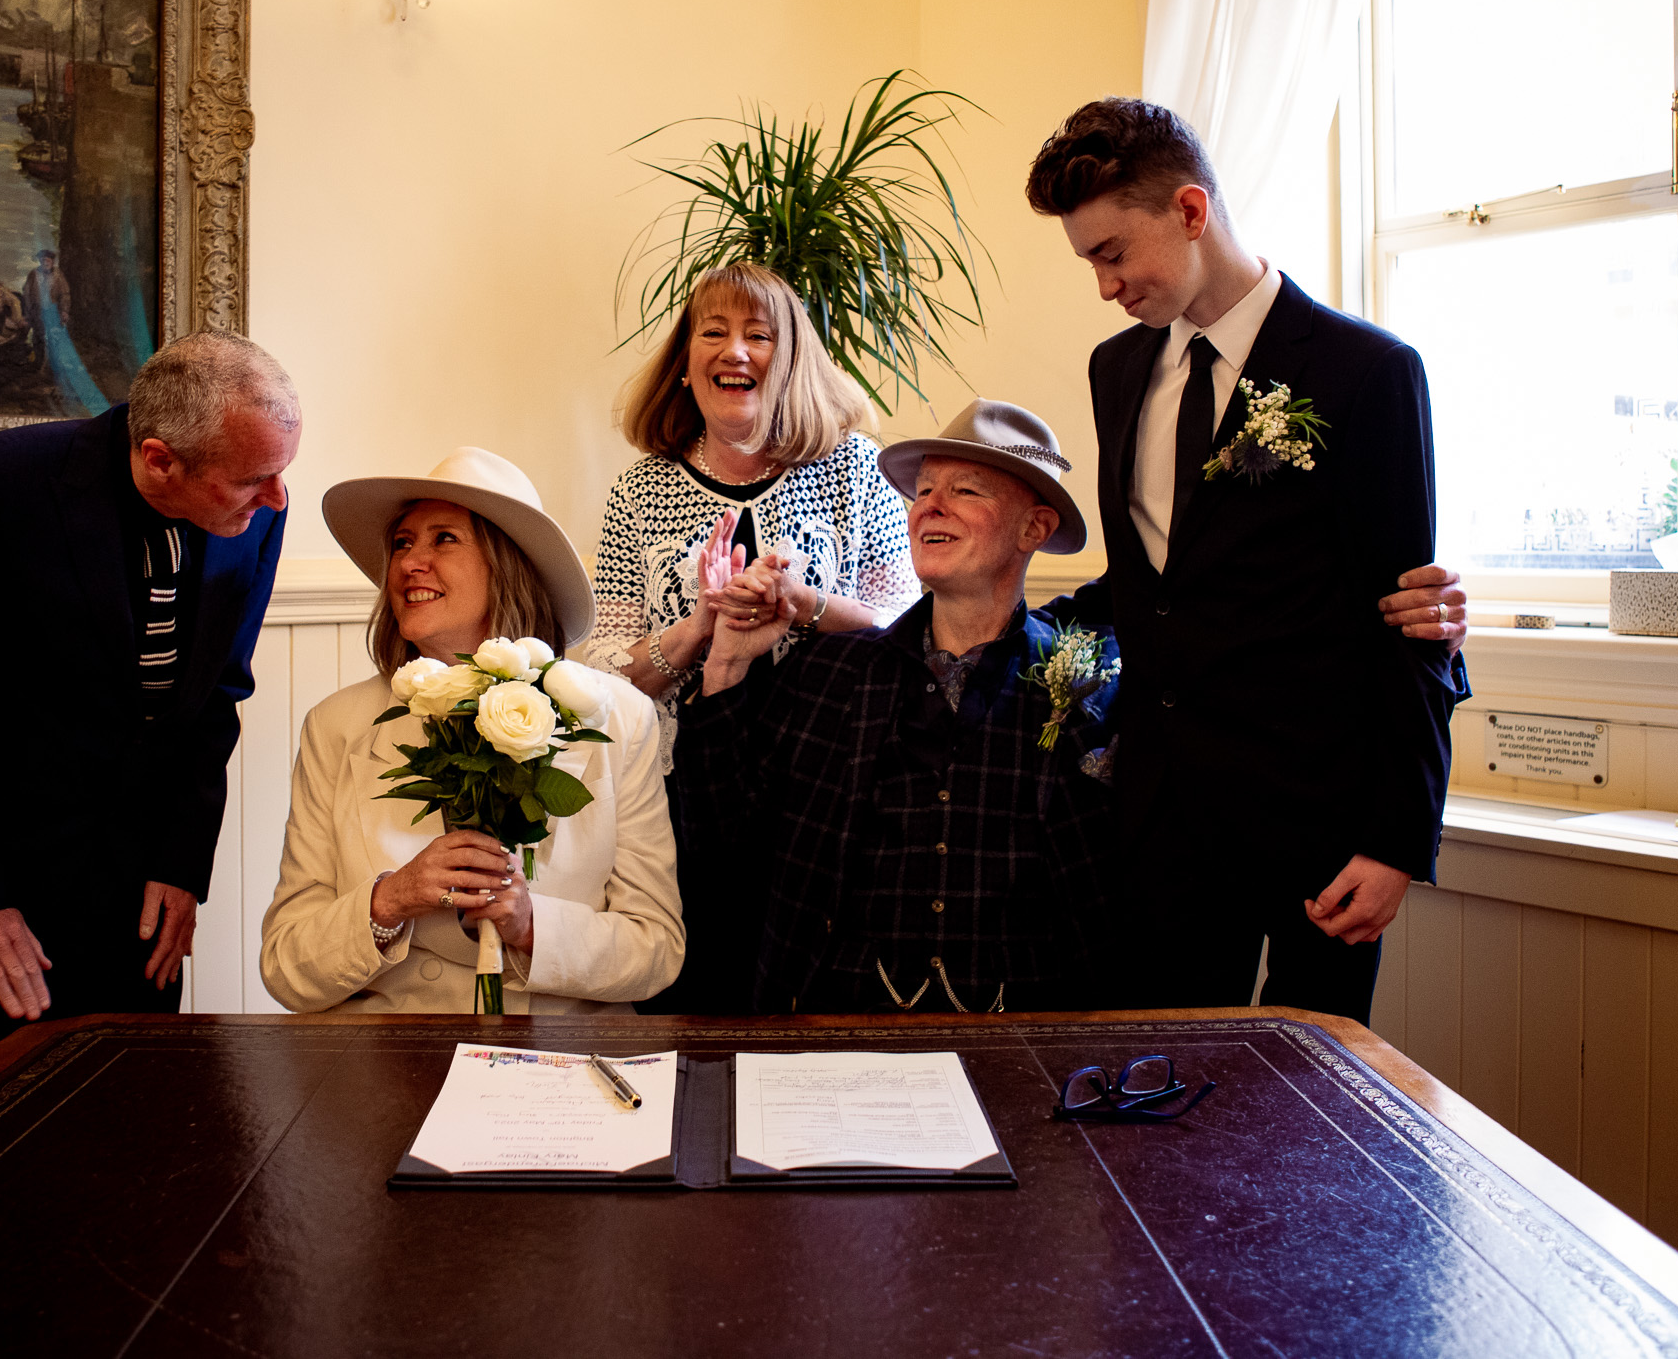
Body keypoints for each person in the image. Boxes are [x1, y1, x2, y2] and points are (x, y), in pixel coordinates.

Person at [1023, 97, 1470, 1023]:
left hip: (1322, 827)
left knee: (1311, 1123)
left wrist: (1397, 841)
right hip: (1161, 821)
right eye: (1088, 262)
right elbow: (1153, 587)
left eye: (1112, 253)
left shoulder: (1367, 370)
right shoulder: (1117, 371)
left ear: (1190, 211)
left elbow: (1412, 624)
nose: (1104, 286)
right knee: (1159, 1102)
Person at [0, 331, 299, 1095]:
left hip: (137, 908)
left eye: (280, 472)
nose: (277, 499)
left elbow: (218, 690)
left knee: (127, 1134)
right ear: (161, 459)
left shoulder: (252, 507)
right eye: (255, 479)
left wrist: (181, 861)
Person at [673, 400, 1120, 1014]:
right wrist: (726, 665)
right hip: (835, 1028)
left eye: (965, 489)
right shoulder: (829, 672)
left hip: (1025, 1044)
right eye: (925, 489)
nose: (929, 506)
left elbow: (1114, 896)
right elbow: (721, 848)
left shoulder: (1089, 687)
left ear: (1034, 530)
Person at [585, 260, 922, 1011]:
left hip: (827, 788)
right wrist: (701, 626)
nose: (734, 351)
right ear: (685, 364)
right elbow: (604, 668)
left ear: (792, 358)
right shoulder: (639, 490)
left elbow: (906, 628)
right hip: (683, 796)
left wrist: (804, 604)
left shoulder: (855, 471)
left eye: (758, 335)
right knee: (696, 1000)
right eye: (714, 332)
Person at [258, 449, 683, 1014]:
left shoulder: (619, 717)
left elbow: (656, 948)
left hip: (555, 1066)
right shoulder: (336, 726)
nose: (411, 562)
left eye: (445, 539)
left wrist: (532, 927)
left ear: (509, 565)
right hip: (387, 1065)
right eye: (403, 543)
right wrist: (390, 900)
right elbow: (286, 966)